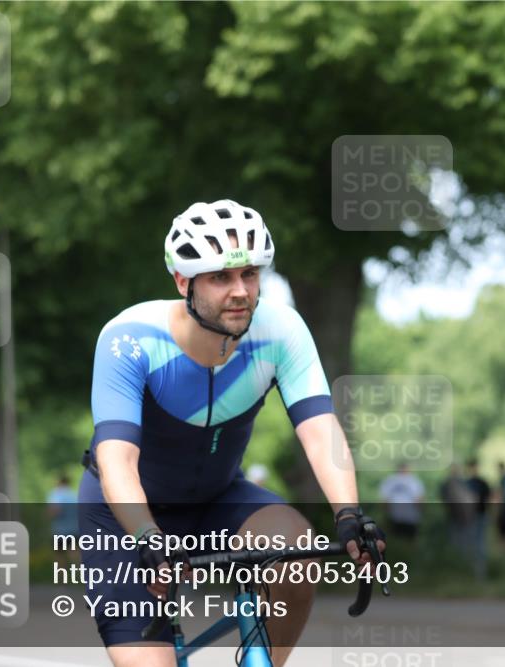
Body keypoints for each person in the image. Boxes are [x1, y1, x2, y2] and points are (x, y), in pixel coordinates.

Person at [78, 199, 386, 667]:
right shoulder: (129, 337)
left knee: (297, 555)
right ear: (184, 282)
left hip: (219, 499)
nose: (240, 291)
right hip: (123, 518)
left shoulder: (280, 330)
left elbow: (321, 431)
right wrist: (146, 535)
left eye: (250, 274)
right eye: (220, 277)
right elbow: (116, 460)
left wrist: (349, 514)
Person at [378, 462, 425, 539]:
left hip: (407, 516)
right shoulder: (413, 480)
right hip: (399, 516)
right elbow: (385, 499)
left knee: (401, 538)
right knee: (401, 538)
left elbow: (419, 499)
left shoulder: (413, 480)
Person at [439, 463, 475, 555]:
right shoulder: (459, 484)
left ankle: (459, 560)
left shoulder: (461, 483)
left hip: (462, 517)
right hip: (457, 516)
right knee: (458, 541)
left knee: (461, 541)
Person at [465, 458, 491, 580]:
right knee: (468, 544)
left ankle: (480, 573)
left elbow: (490, 498)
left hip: (480, 515)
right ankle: (469, 572)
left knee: (480, 544)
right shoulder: (466, 483)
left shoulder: (482, 483)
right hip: (467, 518)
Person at [48, 475, 80, 563]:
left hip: (60, 530)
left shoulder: (57, 494)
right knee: (74, 553)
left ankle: (61, 576)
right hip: (74, 529)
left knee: (59, 556)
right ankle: (80, 575)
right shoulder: (73, 494)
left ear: (59, 482)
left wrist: (48, 515)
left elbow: (55, 510)